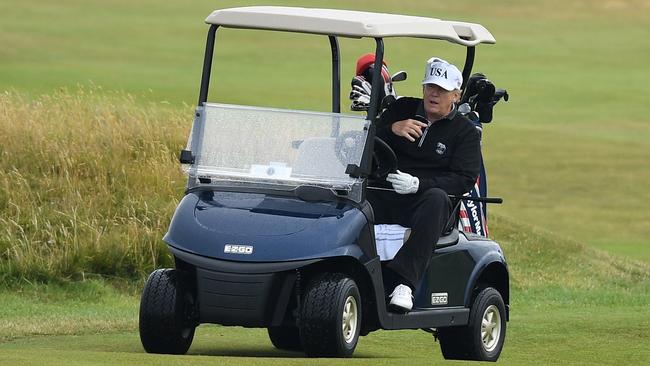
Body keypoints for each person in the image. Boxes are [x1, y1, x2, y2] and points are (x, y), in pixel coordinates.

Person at [367, 57, 482, 312]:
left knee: (438, 198)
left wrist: (419, 184)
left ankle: (404, 284)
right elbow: (364, 141)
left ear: (456, 95)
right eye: (430, 86)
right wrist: (391, 128)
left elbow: (463, 179)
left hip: (425, 204)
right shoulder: (401, 110)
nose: (433, 93)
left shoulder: (464, 132)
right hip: (385, 193)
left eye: (441, 90)